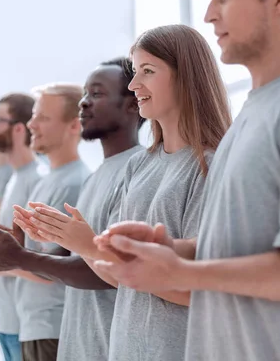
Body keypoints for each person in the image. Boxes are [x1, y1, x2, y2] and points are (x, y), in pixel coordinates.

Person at [92, 0, 280, 361]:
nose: (209, 14)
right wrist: (172, 249)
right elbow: (240, 251)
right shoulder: (250, 118)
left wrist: (181, 273)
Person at [23, 25, 231, 360]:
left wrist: (88, 245)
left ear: (185, 77)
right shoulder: (139, 166)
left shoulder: (209, 166)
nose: (134, 86)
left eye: (147, 71)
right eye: (135, 73)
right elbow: (119, 277)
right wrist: (80, 243)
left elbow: (201, 289)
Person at [0, 57, 145, 360]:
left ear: (133, 104)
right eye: (85, 94)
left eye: (96, 94)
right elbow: (68, 256)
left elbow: (104, 268)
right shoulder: (98, 176)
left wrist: (16, 256)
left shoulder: (125, 172)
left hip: (69, 333)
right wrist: (7, 241)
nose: (85, 104)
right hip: (64, 332)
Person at [0, 83, 91, 361]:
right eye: (34, 115)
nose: (32, 123)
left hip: (48, 326)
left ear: (74, 126)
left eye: (42, 117)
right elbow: (26, 249)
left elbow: (52, 269)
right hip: (30, 323)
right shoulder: (47, 180)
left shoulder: (72, 182)